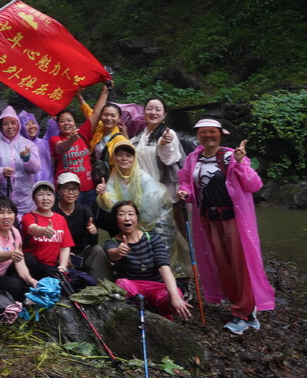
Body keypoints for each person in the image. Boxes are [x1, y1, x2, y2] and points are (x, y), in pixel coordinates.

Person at [177, 119, 274, 334]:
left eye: (212, 132)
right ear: (198, 135)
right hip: (208, 220)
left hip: (233, 219)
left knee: (240, 265)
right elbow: (186, 181)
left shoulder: (231, 156)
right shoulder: (194, 158)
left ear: (221, 134)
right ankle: (239, 305)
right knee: (222, 264)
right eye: (203, 132)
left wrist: (240, 163)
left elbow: (254, 185)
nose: (208, 136)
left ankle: (245, 313)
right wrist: (186, 192)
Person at [95, 140, 187, 275]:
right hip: (133, 222)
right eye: (120, 155)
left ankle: (172, 281)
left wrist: (136, 220)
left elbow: (152, 207)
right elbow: (113, 205)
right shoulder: (115, 178)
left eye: (128, 155)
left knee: (162, 256)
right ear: (114, 158)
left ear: (134, 158)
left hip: (154, 223)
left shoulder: (143, 178)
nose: (124, 158)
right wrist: (103, 195)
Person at [105, 200, 191, 321]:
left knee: (171, 293)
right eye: (121, 214)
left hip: (157, 285)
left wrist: (175, 297)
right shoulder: (112, 242)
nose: (127, 218)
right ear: (115, 219)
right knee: (121, 284)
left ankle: (164, 318)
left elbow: (164, 267)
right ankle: (137, 316)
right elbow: (111, 254)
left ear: (137, 218)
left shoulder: (153, 238)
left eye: (131, 214)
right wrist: (118, 252)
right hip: (133, 286)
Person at [50, 83, 111, 207]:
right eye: (62, 121)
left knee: (89, 221)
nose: (66, 123)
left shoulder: (82, 133)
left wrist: (105, 90)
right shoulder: (55, 139)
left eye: (69, 120)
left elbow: (96, 114)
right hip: (67, 190)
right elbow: (61, 148)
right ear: (57, 125)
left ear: (74, 123)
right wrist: (71, 139)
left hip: (88, 187)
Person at [131, 98, 186, 230]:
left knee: (176, 231)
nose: (153, 112)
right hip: (147, 192)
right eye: (149, 108)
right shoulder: (140, 136)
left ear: (164, 114)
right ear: (143, 112)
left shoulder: (168, 134)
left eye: (158, 109)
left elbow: (170, 160)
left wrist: (163, 144)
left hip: (168, 192)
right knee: (157, 233)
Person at [0, 106, 41, 220]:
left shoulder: (28, 144)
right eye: (5, 124)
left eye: (13, 123)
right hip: (2, 202)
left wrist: (27, 159)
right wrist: (1, 172)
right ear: (0, 126)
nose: (10, 127)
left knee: (27, 230)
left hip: (25, 200)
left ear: (18, 124)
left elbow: (36, 168)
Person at [53, 173, 113, 281]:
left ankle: (105, 285)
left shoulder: (84, 210)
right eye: (66, 188)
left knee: (97, 250)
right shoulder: (52, 211)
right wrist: (61, 254)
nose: (71, 192)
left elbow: (93, 242)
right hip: (56, 254)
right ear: (59, 190)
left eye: (74, 189)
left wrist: (93, 232)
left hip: (79, 254)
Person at [0, 196, 36, 301]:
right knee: (14, 285)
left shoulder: (14, 232)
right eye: (1, 213)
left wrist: (30, 280)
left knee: (29, 259)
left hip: (4, 271)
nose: (6, 216)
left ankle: (22, 293)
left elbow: (20, 261)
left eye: (10, 212)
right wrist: (11, 254)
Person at [21, 181, 74, 280]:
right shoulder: (28, 216)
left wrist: (62, 267)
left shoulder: (60, 219)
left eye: (49, 194)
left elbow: (65, 247)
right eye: (40, 194)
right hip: (35, 265)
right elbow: (31, 228)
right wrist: (43, 230)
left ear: (54, 197)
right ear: (33, 198)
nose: (45, 198)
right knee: (28, 258)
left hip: (53, 267)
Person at [18, 110, 58, 185]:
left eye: (33, 123)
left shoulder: (44, 143)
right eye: (27, 124)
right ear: (21, 128)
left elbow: (52, 134)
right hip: (29, 189)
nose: (31, 127)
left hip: (48, 186)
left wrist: (54, 123)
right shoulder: (18, 146)